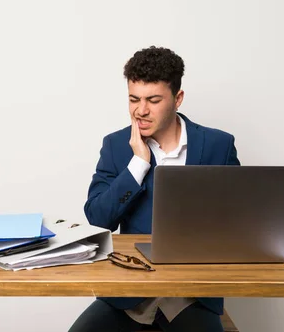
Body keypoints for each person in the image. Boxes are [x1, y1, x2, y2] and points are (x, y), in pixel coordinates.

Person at [68, 46, 240, 332]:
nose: (141, 110)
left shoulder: (217, 145)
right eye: (134, 99)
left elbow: (238, 219)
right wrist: (138, 164)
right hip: (130, 294)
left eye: (153, 100)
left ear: (178, 98)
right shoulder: (115, 145)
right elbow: (98, 219)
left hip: (191, 294)